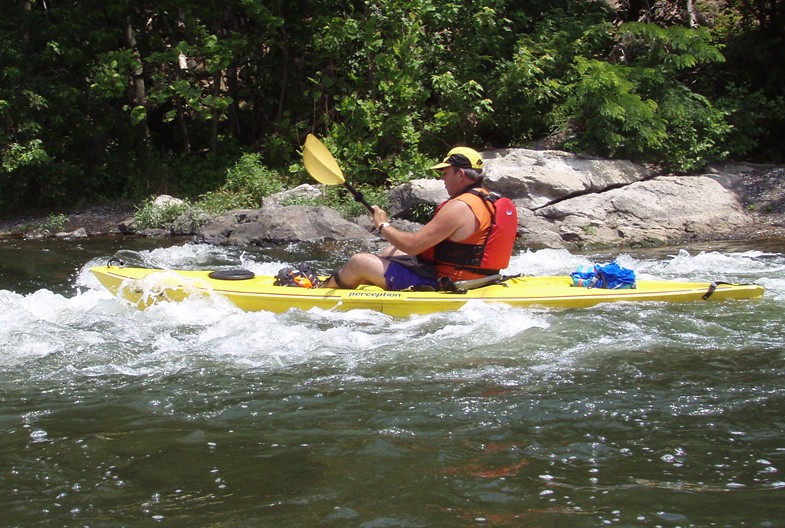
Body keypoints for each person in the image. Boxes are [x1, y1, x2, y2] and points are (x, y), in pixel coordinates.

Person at [321, 146, 518, 290]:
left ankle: (323, 288)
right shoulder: (490, 200)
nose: (442, 178)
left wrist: (383, 225)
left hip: (448, 283)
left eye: (445, 172)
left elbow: (414, 246)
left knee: (359, 261)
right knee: (391, 250)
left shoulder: (459, 207)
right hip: (483, 277)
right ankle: (368, 280)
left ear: (460, 174)